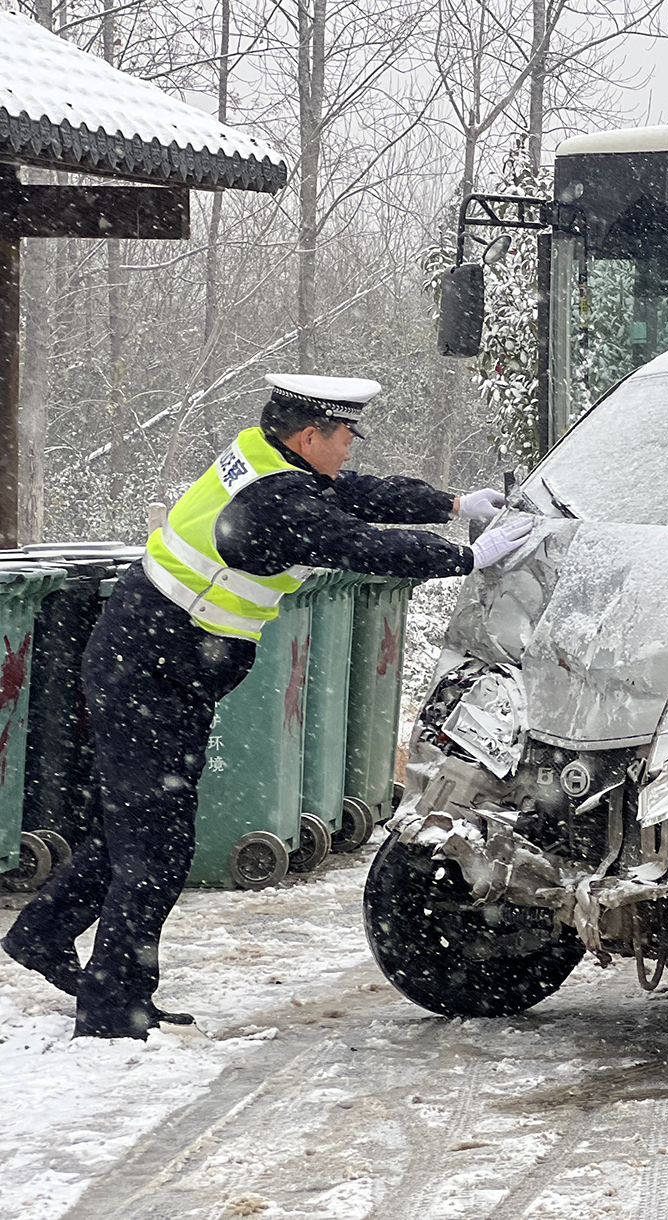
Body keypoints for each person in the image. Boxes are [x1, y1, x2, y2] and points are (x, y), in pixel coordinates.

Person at [0, 374, 535, 1039]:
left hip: (156, 662)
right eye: (343, 438)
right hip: (149, 671)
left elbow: (355, 494)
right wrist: (467, 556)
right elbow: (358, 544)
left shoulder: (266, 457)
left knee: (132, 827)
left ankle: (42, 935)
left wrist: (453, 503)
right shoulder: (276, 501)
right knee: (159, 849)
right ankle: (112, 1011)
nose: (347, 451)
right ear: (310, 436)